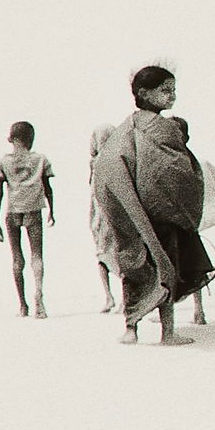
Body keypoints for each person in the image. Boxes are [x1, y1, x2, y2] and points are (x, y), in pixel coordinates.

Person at [92, 66, 215, 346]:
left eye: (173, 90)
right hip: (160, 212)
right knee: (165, 265)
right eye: (165, 90)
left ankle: (131, 329)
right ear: (144, 93)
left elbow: (108, 168)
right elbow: (174, 170)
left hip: (132, 213)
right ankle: (168, 332)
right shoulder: (161, 127)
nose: (172, 96)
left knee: (134, 265)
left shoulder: (126, 127)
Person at [169, 116, 215, 325]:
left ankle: (171, 312)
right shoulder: (198, 161)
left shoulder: (171, 161)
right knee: (195, 266)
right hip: (190, 223)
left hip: (177, 222)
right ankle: (199, 310)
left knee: (172, 266)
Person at [0, 121, 54, 319]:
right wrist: (52, 210)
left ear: (11, 138)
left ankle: (23, 305)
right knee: (37, 255)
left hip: (13, 211)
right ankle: (39, 296)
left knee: (17, 259)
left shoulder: (3, 161)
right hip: (34, 210)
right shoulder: (40, 159)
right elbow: (48, 188)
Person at [88, 124, 122, 313]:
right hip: (110, 212)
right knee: (116, 254)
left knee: (102, 254)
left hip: (100, 213)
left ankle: (109, 296)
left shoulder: (95, 162)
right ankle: (118, 297)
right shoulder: (117, 158)